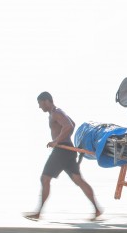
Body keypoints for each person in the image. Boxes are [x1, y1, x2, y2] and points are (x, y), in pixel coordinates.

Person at [25, 92, 102, 221]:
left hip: (61, 150)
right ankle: (97, 209)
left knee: (45, 179)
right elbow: (72, 123)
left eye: (40, 103)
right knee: (79, 180)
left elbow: (69, 126)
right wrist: (63, 138)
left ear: (46, 101)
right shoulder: (55, 113)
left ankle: (38, 213)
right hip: (67, 151)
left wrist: (56, 141)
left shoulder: (56, 113)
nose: (39, 107)